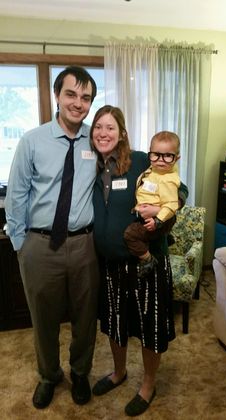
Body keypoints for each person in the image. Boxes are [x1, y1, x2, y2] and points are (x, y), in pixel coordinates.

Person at [5, 66, 100, 409]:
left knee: (85, 317)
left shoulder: (97, 139)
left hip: (84, 246)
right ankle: (48, 375)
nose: (78, 103)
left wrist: (171, 188)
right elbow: (16, 195)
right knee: (42, 318)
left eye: (86, 97)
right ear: (57, 96)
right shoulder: (33, 139)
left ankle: (79, 372)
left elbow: (130, 166)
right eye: (71, 94)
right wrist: (21, 245)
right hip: (40, 245)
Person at [90, 105, 188, 416]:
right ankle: (119, 373)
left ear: (121, 133)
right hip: (110, 265)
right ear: (92, 134)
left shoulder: (143, 161)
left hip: (147, 263)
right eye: (98, 128)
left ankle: (148, 384)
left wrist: (159, 217)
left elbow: (180, 187)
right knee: (115, 324)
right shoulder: (91, 167)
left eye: (110, 127)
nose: (104, 133)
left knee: (149, 327)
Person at [124, 131, 181, 278]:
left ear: (177, 158)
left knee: (130, 234)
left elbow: (172, 204)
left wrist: (158, 219)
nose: (161, 160)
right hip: (155, 218)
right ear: (150, 153)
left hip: (159, 219)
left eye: (168, 155)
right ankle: (166, 236)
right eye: (156, 154)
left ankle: (148, 260)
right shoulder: (153, 169)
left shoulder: (168, 179)